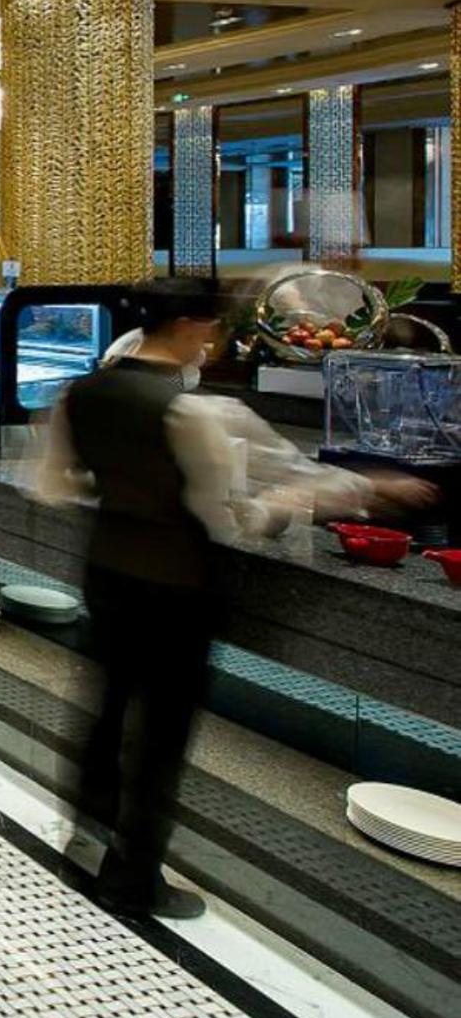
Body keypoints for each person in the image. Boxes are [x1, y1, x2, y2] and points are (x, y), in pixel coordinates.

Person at [34, 279, 430, 919]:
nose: (215, 340)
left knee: (106, 710)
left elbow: (54, 484)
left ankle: (88, 832)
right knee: (161, 737)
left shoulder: (79, 392)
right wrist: (341, 495)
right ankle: (132, 884)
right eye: (212, 328)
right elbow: (229, 519)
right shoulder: (196, 414)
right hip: (177, 589)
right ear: (189, 327)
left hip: (106, 573)